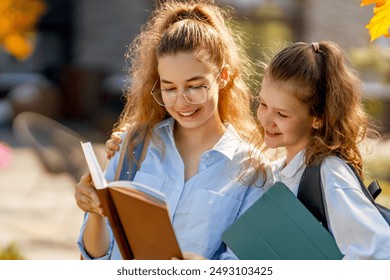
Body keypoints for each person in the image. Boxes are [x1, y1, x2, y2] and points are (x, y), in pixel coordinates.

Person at [75, 0, 273, 260]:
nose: (181, 102)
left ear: (223, 77)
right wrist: (95, 211)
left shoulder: (252, 170)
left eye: (194, 86)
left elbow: (246, 263)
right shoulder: (134, 148)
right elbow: (96, 258)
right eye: (169, 88)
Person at [256, 41, 390, 259]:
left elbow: (380, 255)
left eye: (282, 114)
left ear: (317, 118)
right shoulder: (277, 172)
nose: (266, 119)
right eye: (262, 104)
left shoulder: (329, 174)